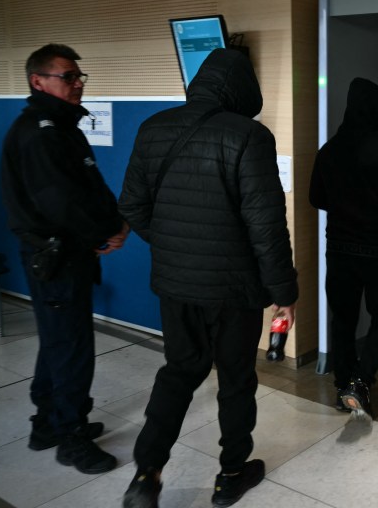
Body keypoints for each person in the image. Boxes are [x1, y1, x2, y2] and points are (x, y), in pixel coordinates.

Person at [118, 48, 298, 508]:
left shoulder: (152, 128)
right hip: (233, 290)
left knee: (179, 371)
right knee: (236, 379)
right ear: (241, 89)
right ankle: (231, 475)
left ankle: (146, 475)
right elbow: (266, 226)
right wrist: (284, 293)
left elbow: (133, 206)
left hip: (176, 284)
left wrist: (179, 247)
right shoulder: (249, 136)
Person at [0, 43, 129, 474]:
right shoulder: (39, 133)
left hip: (65, 254)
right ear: (38, 80)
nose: (76, 84)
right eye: (67, 77)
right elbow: (62, 203)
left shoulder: (59, 126)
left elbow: (86, 185)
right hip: (58, 258)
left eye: (78, 77)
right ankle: (70, 438)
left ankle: (45, 424)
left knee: (58, 341)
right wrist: (106, 231)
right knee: (72, 348)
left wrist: (111, 222)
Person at [309, 77, 378, 418]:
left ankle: (343, 385)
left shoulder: (329, 150)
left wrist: (344, 207)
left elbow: (316, 198)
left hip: (338, 250)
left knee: (344, 317)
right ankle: (362, 381)